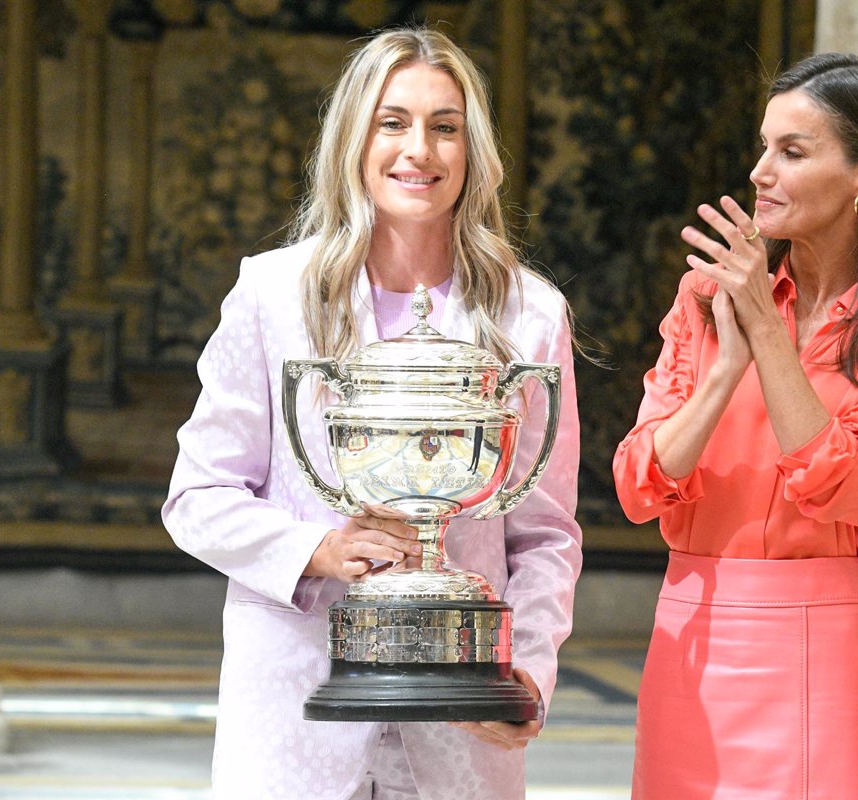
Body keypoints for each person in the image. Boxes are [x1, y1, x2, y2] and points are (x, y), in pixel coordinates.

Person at [163, 28, 582, 800]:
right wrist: (318, 549)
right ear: (354, 140)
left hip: (461, 729)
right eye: (392, 122)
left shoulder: (530, 314)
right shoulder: (272, 294)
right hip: (296, 717)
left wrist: (526, 670)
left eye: (444, 126)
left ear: (472, 149)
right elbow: (196, 499)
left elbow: (546, 532)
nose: (417, 150)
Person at [612, 52, 858, 799]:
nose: (759, 172)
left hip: (824, 650)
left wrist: (766, 332)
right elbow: (639, 485)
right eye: (762, 146)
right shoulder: (704, 297)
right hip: (693, 637)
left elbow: (841, 486)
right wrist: (725, 367)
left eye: (792, 151)